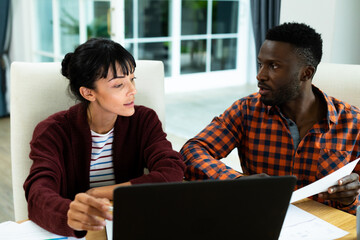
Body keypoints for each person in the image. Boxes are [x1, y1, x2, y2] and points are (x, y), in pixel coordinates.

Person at [180, 22, 360, 214]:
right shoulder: (246, 110)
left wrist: (350, 198)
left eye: (274, 66)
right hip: (263, 222)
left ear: (306, 73)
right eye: (260, 64)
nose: (260, 75)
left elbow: (354, 202)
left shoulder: (354, 123)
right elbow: (191, 152)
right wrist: (236, 181)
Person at [24, 38, 186, 237]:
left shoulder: (144, 120)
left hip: (129, 224)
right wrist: (69, 214)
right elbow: (38, 194)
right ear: (88, 93)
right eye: (118, 85)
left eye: (132, 79)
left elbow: (172, 169)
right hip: (81, 232)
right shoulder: (52, 131)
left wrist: (100, 193)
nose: (133, 90)